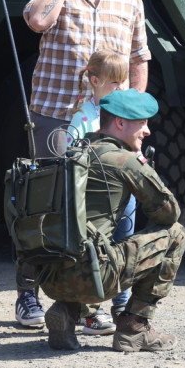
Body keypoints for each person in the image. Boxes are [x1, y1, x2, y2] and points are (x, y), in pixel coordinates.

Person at [15, 0, 151, 327]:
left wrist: (134, 117)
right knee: (44, 211)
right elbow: (37, 21)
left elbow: (139, 58)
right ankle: (29, 297)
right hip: (55, 119)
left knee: (114, 213)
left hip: (109, 128)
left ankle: (105, 301)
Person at [40, 88, 185, 352]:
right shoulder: (125, 161)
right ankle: (134, 327)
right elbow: (170, 213)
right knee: (176, 233)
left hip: (51, 276)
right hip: (94, 278)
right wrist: (143, 166)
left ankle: (65, 310)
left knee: (84, 242)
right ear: (120, 123)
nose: (147, 130)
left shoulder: (72, 154)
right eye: (142, 123)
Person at [66, 49, 133, 332]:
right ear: (94, 81)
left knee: (125, 244)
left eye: (123, 82)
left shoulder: (126, 115)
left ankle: (123, 303)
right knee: (98, 249)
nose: (120, 88)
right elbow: (70, 156)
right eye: (114, 82)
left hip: (124, 195)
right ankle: (92, 308)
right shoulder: (83, 118)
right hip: (95, 199)